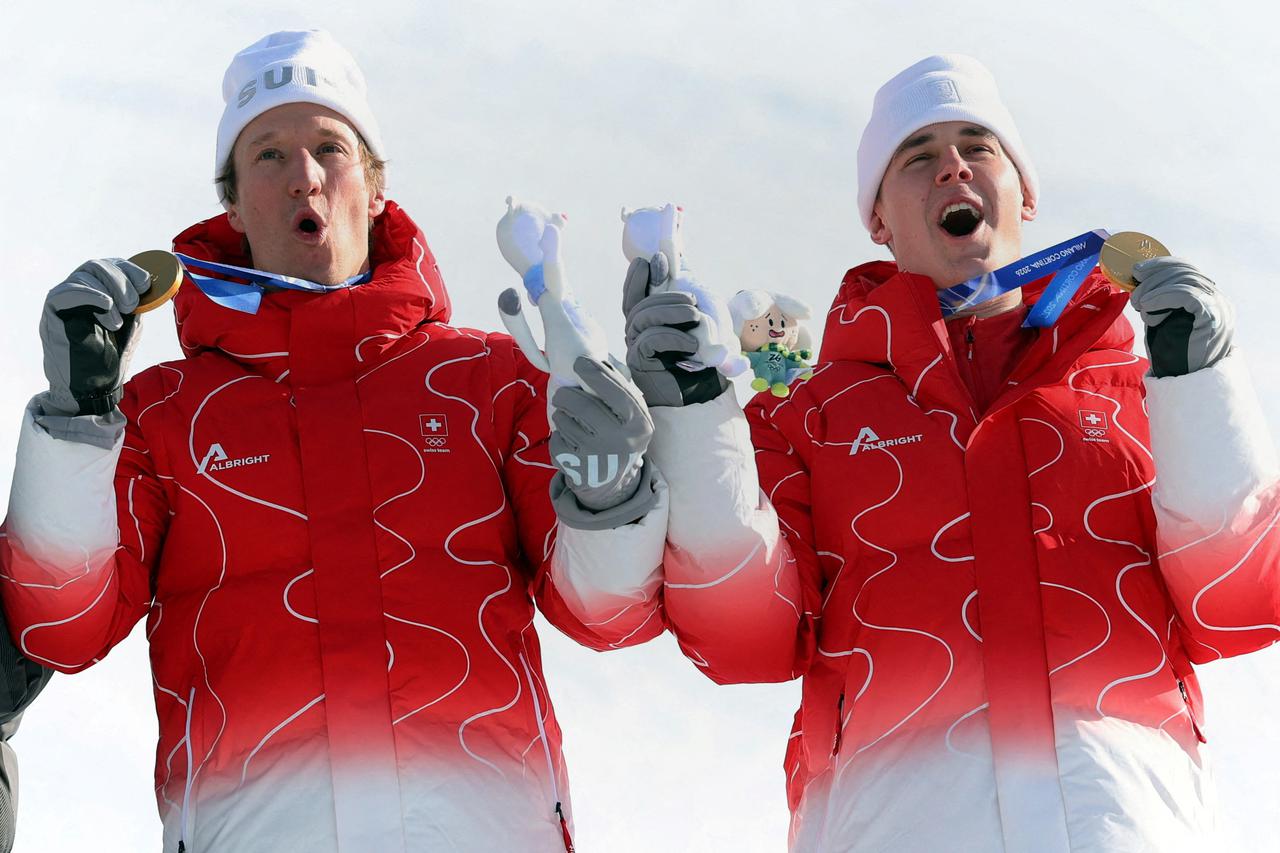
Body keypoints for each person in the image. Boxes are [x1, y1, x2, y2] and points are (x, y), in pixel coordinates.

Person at [0, 30, 667, 852]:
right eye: (269, 155)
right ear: (234, 205)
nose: (304, 175)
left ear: (377, 185)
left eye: (330, 148)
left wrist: (608, 495)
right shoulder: (158, 414)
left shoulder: (490, 379)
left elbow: (610, 613)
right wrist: (73, 421)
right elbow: (61, 626)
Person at [624, 54, 1280, 851]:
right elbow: (742, 637)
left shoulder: (1135, 384)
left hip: (1125, 815)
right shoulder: (811, 416)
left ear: (1025, 195)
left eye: (979, 144)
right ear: (879, 222)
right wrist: (696, 423)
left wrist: (1204, 380)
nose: (953, 166)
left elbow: (1239, 603)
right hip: (900, 817)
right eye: (918, 156)